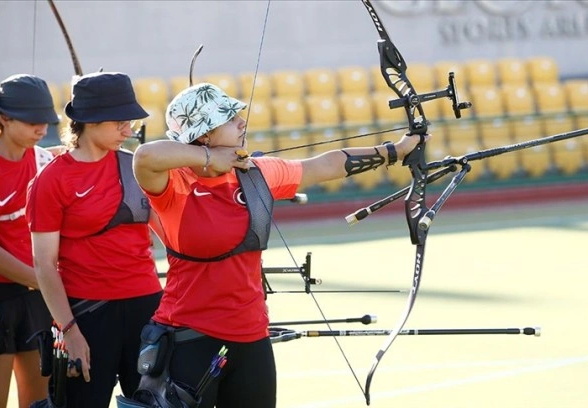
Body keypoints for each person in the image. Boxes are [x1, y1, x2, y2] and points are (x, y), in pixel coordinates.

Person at [125, 82, 425, 408]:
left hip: (251, 335)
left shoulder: (254, 173)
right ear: (205, 133)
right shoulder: (175, 185)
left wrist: (395, 151)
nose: (242, 122)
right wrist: (210, 158)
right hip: (188, 336)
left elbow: (323, 166)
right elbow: (145, 156)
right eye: (229, 118)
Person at [26, 72, 163, 408]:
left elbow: (174, 239)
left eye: (129, 122)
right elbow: (44, 264)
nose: (128, 131)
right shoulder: (52, 179)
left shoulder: (137, 168)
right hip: (87, 314)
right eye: (119, 122)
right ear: (89, 120)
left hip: (147, 307)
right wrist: (70, 330)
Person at [0, 74, 59, 408]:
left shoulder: (44, 162)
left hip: (34, 296)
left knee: (39, 400)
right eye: (32, 121)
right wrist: (47, 281)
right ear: (3, 118)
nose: (41, 128)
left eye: (45, 120)